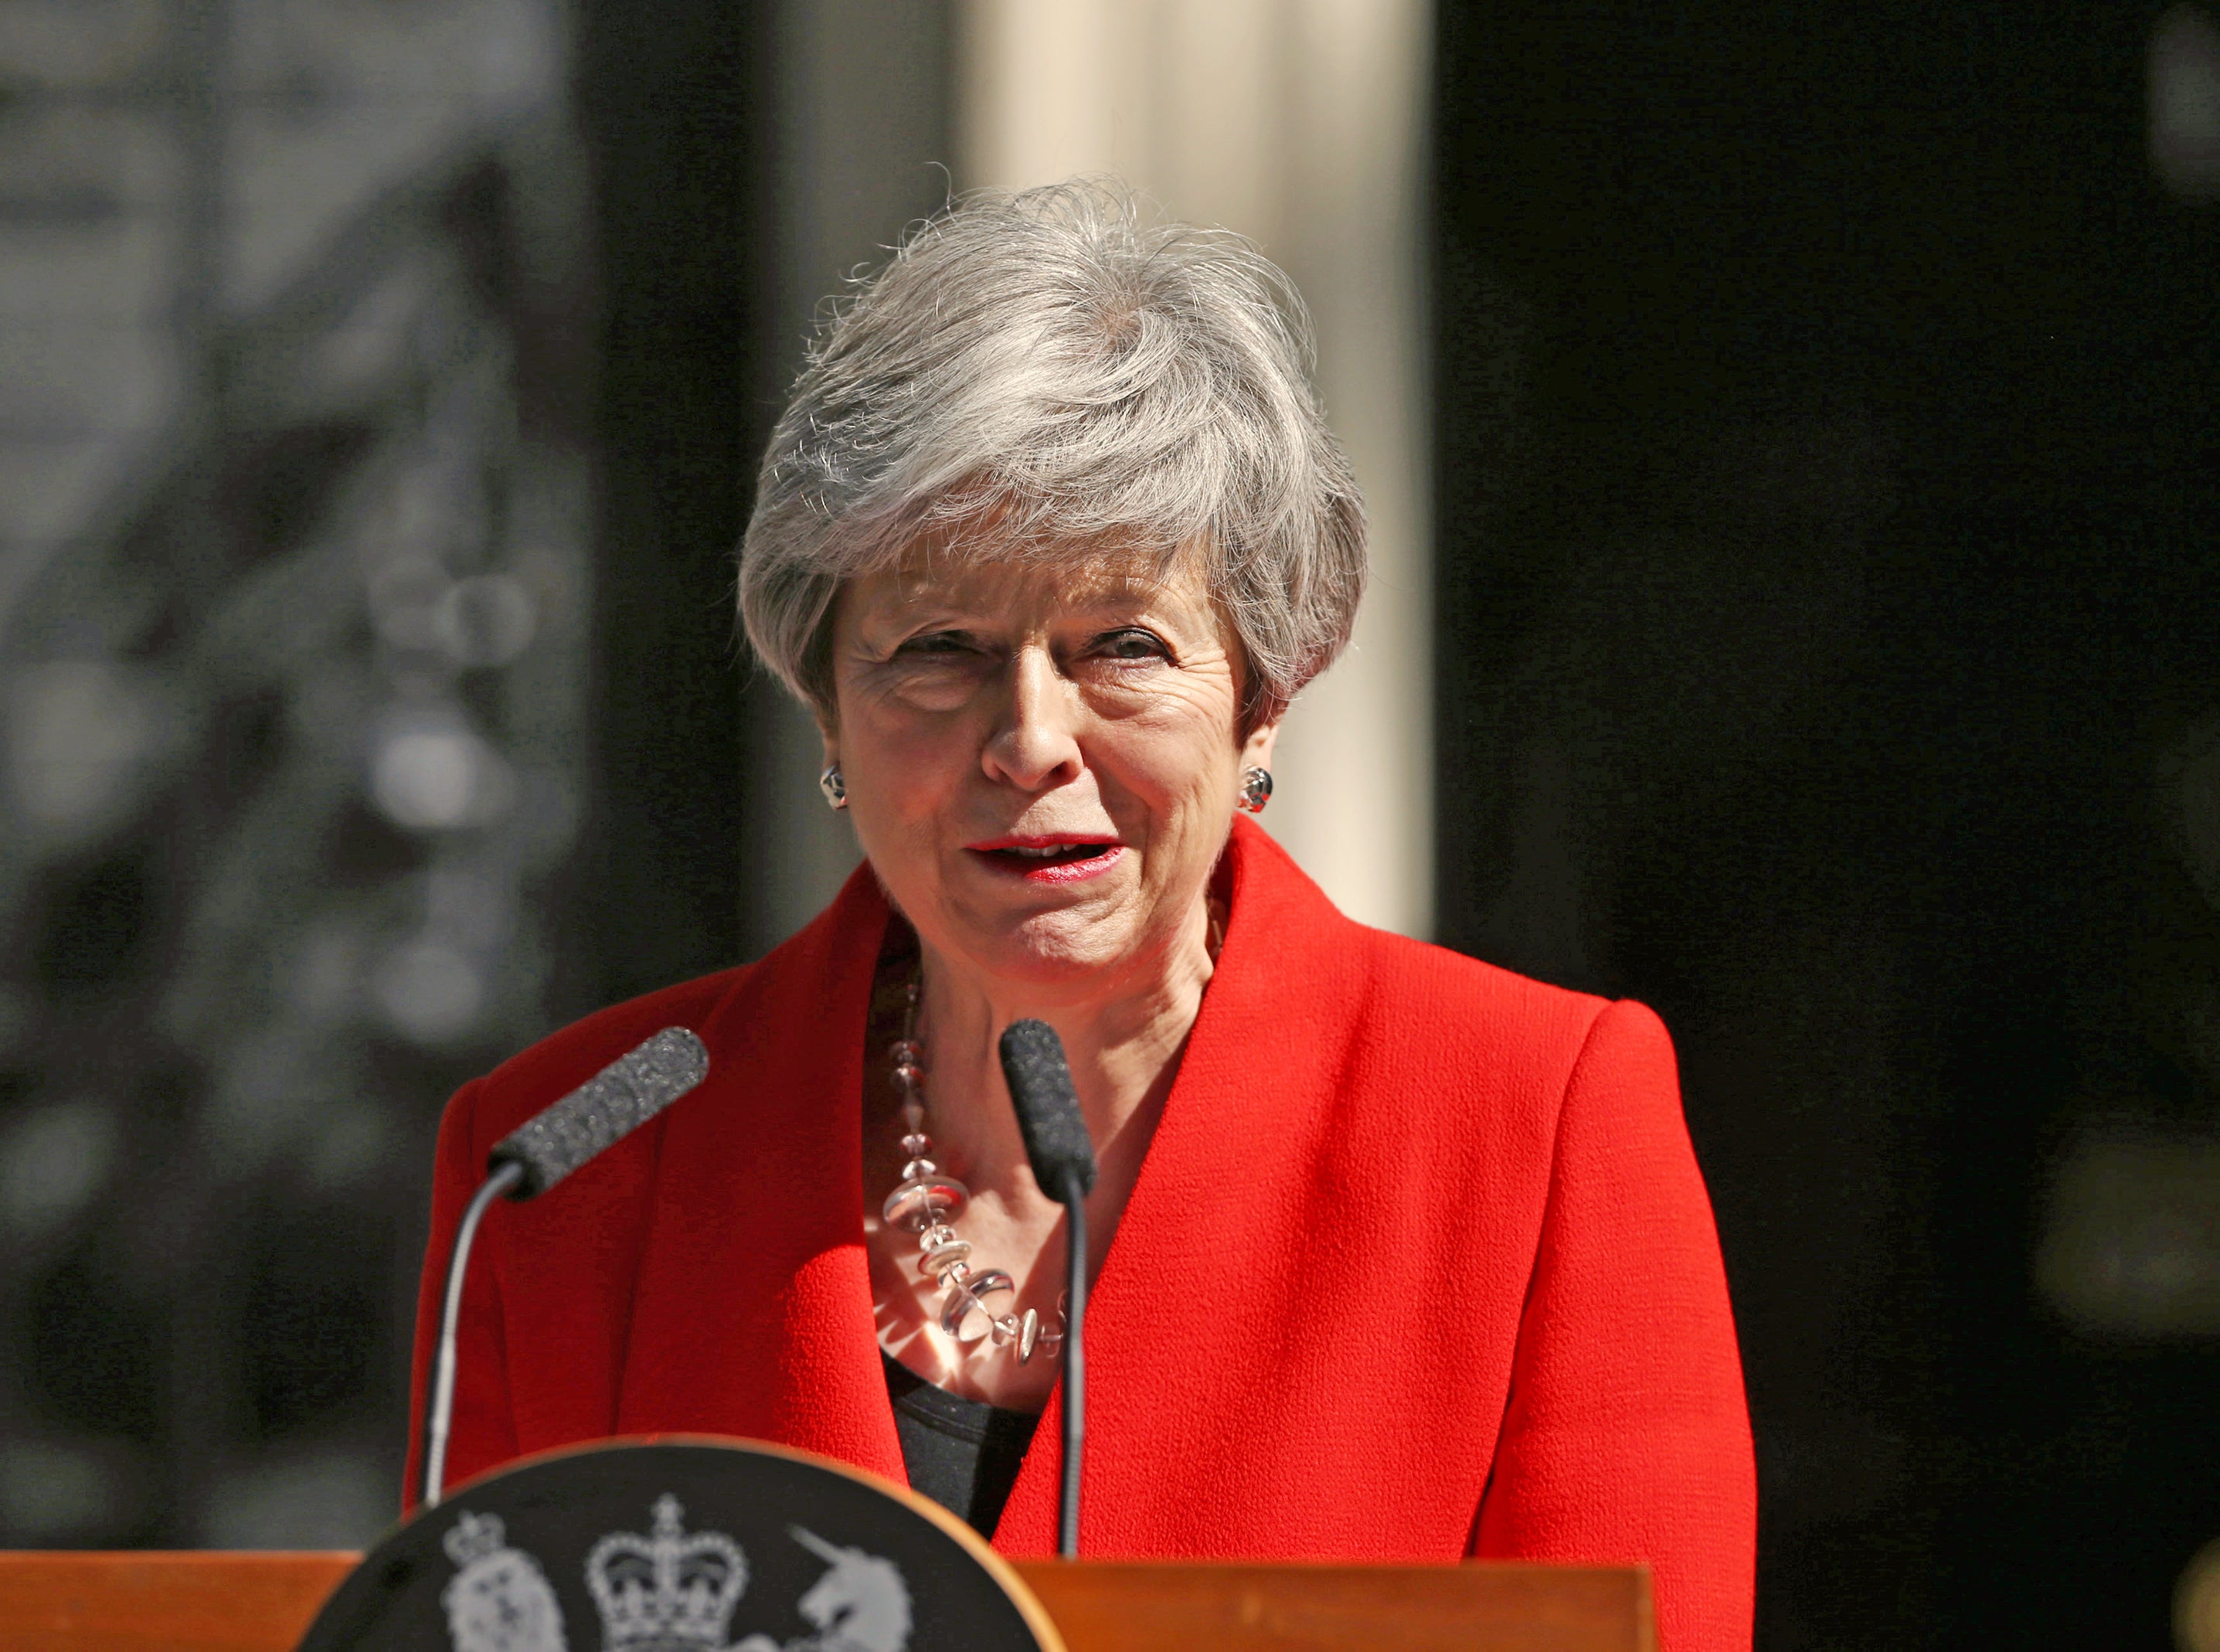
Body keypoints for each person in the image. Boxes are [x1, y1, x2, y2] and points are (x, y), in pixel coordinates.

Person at [406, 181, 1755, 1650]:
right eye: (940, 648)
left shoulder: (1534, 1127)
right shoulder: (564, 1170)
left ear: (1261, 692)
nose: (1030, 737)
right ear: (826, 702)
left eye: (1121, 644)